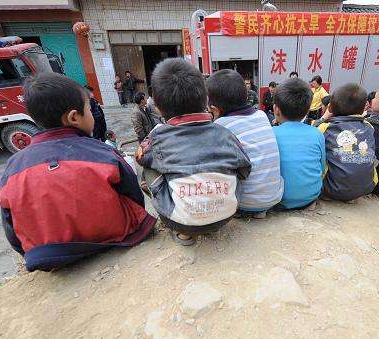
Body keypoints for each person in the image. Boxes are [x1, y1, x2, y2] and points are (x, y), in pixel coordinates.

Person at [0, 72, 156, 272]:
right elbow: (135, 198)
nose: (93, 114)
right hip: (113, 237)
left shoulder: (13, 166)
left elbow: (10, 228)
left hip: (46, 254)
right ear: (73, 117)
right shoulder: (104, 152)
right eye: (90, 109)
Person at [136, 58, 251, 246]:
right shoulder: (226, 134)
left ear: (156, 105)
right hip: (226, 216)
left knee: (144, 165)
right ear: (206, 99)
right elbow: (245, 169)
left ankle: (183, 233)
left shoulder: (156, 138)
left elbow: (140, 157)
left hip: (182, 222)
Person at [207, 69, 283, 218]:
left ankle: (244, 209)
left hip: (243, 202)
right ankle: (259, 210)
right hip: (273, 197)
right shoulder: (261, 115)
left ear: (215, 110)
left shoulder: (221, 125)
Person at [272, 78, 325, 209]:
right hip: (310, 196)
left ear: (276, 109)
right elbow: (321, 168)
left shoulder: (270, 133)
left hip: (278, 198)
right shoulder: (317, 134)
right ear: (307, 111)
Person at [321, 83, 377, 202]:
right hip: (366, 187)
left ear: (330, 108)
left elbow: (311, 133)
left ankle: (330, 194)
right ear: (363, 109)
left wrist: (323, 118)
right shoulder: (369, 127)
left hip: (332, 189)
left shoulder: (325, 127)